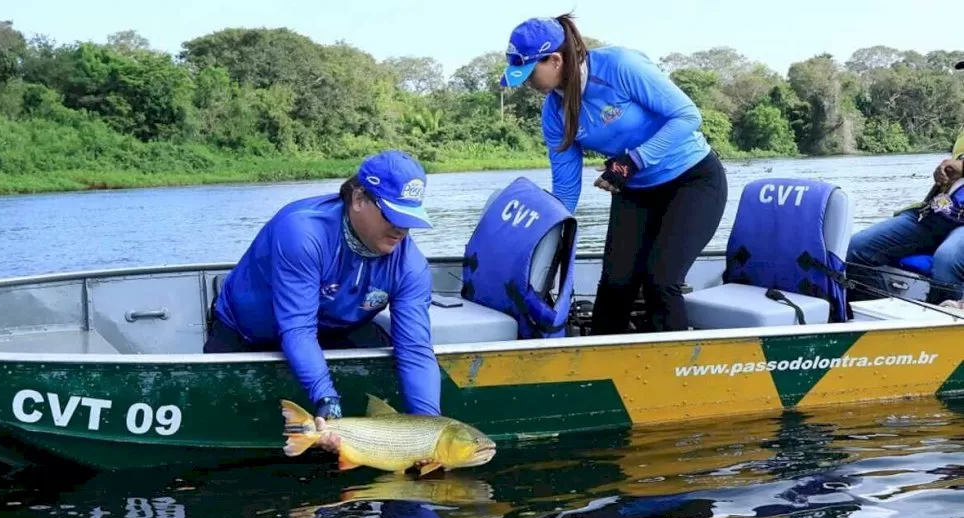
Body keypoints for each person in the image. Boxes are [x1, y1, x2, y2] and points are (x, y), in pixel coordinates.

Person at [499, 14, 728, 334]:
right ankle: (600, 374)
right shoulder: (554, 112)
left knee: (660, 282)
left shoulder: (619, 67)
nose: (526, 83)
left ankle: (674, 374)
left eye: (529, 73)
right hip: (635, 191)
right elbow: (566, 191)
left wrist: (632, 161)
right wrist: (536, 239)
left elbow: (687, 115)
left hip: (692, 181)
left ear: (555, 59)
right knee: (615, 284)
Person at [204, 149, 442, 454]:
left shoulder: (411, 267)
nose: (401, 230)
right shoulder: (303, 233)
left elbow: (416, 352)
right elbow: (298, 329)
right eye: (391, 215)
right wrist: (327, 401)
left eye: (409, 219)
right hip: (248, 334)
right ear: (358, 199)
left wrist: (429, 434)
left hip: (334, 332)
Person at [846, 133, 964, 307]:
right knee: (857, 248)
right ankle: (883, 317)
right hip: (934, 213)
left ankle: (945, 322)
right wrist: (944, 173)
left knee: (947, 259)